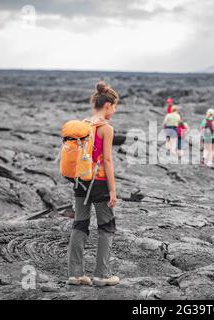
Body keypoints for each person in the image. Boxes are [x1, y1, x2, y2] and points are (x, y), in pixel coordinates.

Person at [67, 81, 120, 287]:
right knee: (106, 227)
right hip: (98, 183)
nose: (114, 111)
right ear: (107, 105)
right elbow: (107, 161)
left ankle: (75, 274)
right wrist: (113, 190)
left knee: (80, 223)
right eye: (114, 107)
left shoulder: (83, 124)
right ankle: (102, 275)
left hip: (80, 181)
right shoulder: (105, 128)